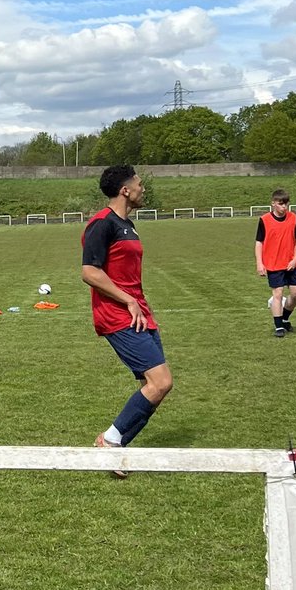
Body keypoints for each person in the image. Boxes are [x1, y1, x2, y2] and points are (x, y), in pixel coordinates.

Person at [81, 166, 173, 473]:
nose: (142, 189)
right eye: (139, 184)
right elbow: (90, 272)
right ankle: (110, 441)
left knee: (157, 385)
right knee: (160, 382)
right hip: (117, 314)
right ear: (125, 190)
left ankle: (115, 445)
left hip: (139, 314)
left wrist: (141, 305)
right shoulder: (101, 224)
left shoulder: (128, 225)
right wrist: (128, 300)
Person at [256, 190, 296, 337]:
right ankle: (279, 328)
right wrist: (259, 263)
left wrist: (295, 258)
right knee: (278, 293)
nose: (284, 207)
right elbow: (259, 243)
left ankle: (284, 318)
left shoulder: (294, 217)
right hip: (273, 264)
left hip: (291, 263)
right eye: (281, 204)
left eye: (286, 204)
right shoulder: (264, 220)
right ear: (273, 204)